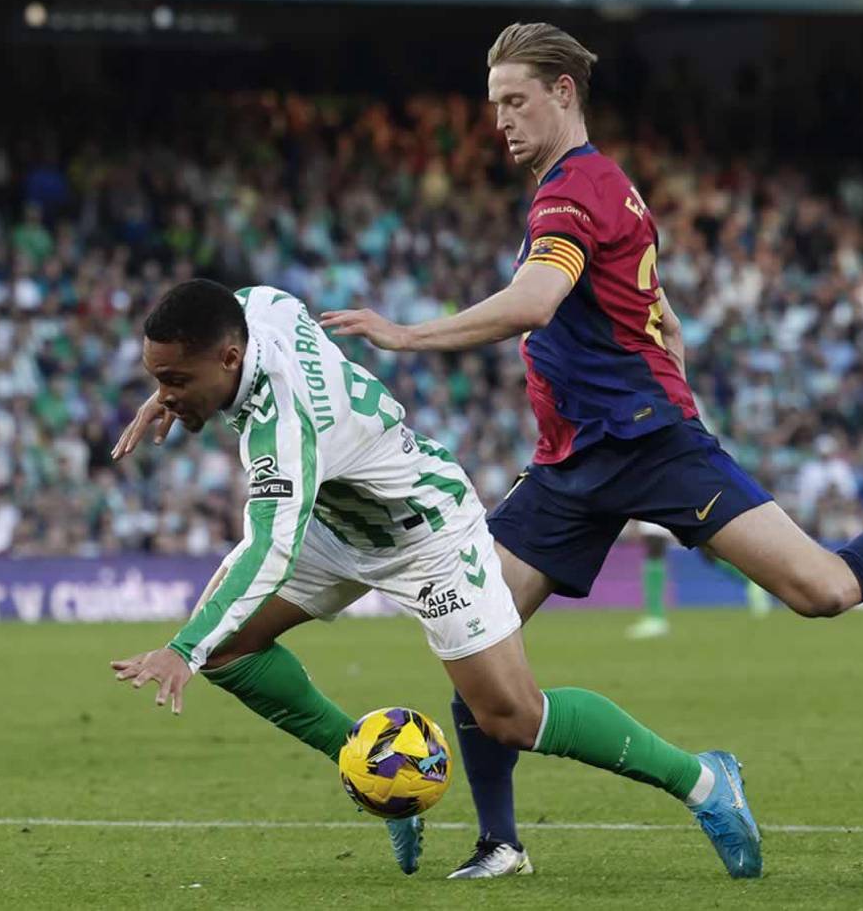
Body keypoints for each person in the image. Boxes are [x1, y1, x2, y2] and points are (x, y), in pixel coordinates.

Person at [318, 22, 863, 878]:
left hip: (648, 442)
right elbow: (657, 309)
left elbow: (534, 304)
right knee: (475, 642)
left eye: (515, 101)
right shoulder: (599, 190)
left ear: (564, 93)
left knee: (822, 590)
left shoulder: (574, 190)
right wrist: (660, 350)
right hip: (572, 462)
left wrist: (405, 335)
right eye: (495, 105)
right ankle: (501, 844)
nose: (501, 121)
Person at [109, 279, 764, 881]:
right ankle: (376, 769)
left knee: (510, 716)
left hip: (426, 533)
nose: (164, 391)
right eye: (156, 377)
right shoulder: (258, 308)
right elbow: (232, 312)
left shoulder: (286, 427)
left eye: (174, 378)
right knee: (231, 648)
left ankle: (703, 780)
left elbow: (270, 549)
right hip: (338, 524)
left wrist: (180, 649)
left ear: (228, 360)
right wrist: (170, 395)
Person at [626, 521, 671, 640]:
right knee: (654, 556)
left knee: (655, 553)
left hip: (656, 519)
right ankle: (655, 616)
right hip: (657, 517)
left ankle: (656, 618)